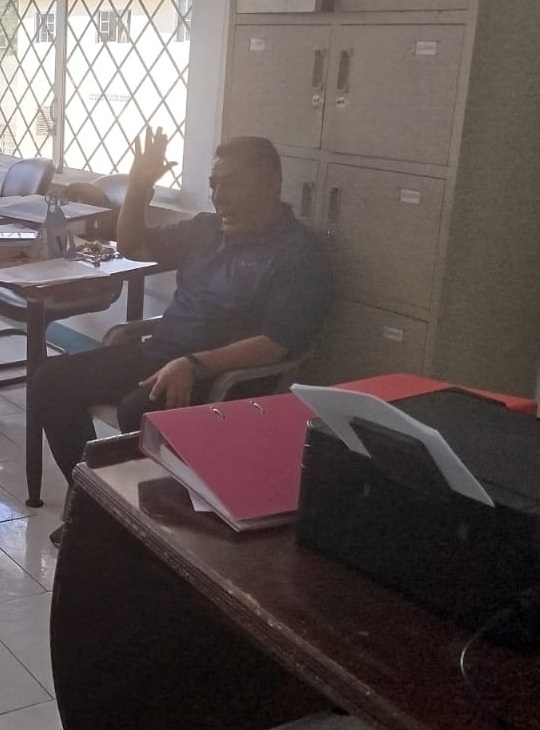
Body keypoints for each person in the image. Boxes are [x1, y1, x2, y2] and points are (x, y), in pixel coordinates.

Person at [34, 131, 333, 496]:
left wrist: (193, 364)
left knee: (136, 411)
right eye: (214, 185)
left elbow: (275, 344)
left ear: (271, 185)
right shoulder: (204, 229)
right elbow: (133, 245)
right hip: (158, 356)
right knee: (50, 380)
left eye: (233, 184)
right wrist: (139, 184)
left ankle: (130, 512)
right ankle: (92, 501)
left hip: (221, 377)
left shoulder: (298, 253)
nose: (220, 196)